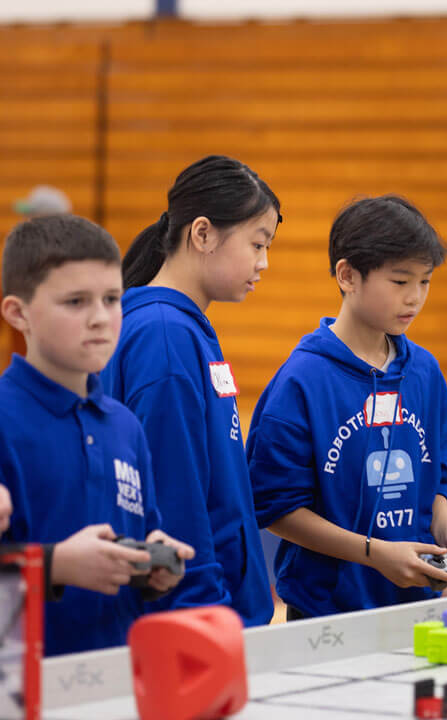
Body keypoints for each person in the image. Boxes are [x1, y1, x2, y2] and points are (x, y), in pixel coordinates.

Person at [248, 195, 447, 619]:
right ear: (348, 275)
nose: (414, 298)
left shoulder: (426, 374)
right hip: (324, 615)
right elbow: (275, 509)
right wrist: (373, 553)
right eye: (400, 282)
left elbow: (433, 485)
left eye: (425, 281)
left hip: (415, 607)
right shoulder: (301, 380)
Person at [0, 214, 193, 655]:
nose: (100, 319)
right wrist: (54, 566)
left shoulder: (126, 426)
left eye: (111, 299)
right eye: (75, 302)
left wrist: (152, 569)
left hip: (117, 678)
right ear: (18, 313)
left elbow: (144, 534)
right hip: (20, 687)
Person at [103, 156, 279, 626]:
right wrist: (201, 610)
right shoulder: (164, 336)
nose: (264, 263)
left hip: (220, 608)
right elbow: (173, 493)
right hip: (199, 616)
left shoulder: (181, 328)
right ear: (202, 234)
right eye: (257, 244)